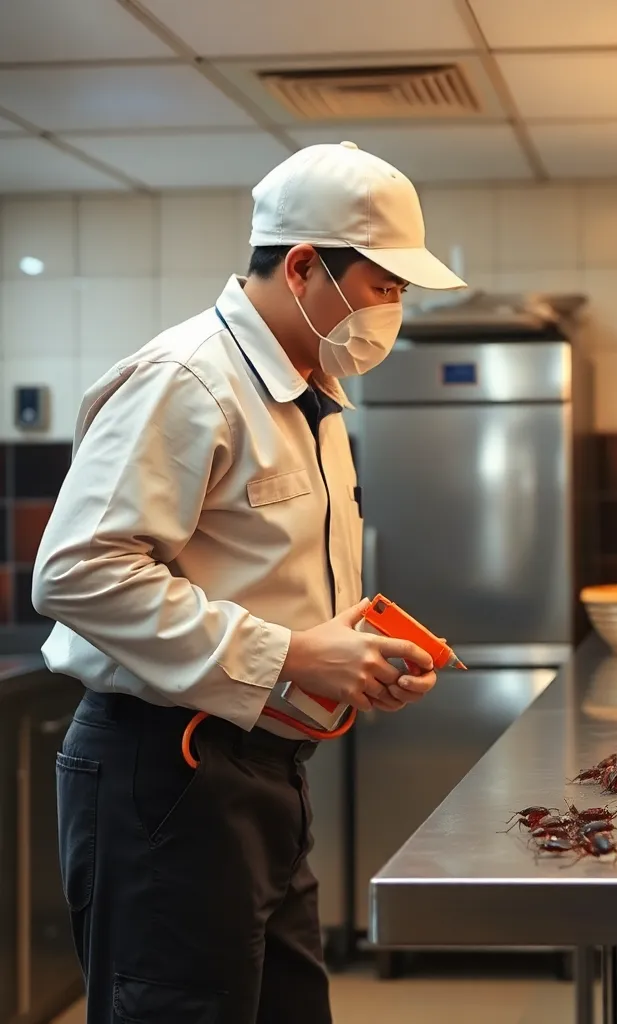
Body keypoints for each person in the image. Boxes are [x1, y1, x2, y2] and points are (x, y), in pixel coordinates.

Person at [32, 141, 466, 1023]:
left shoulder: (314, 393)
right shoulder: (187, 377)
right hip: (167, 773)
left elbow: (261, 575)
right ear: (304, 266)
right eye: (383, 285)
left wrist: (353, 656)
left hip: (262, 774)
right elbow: (77, 570)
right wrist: (295, 653)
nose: (392, 311)